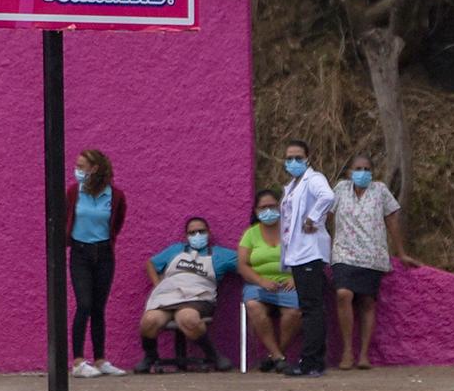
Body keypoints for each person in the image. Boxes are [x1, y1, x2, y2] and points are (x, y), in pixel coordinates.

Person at [329, 153, 414, 370]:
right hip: (344, 253)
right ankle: (348, 350)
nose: (363, 173)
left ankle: (364, 354)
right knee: (343, 294)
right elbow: (325, 215)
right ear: (349, 172)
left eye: (367, 169)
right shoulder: (339, 189)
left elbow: (392, 220)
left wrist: (401, 252)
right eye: (358, 169)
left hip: (372, 255)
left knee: (367, 302)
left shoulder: (380, 191)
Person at [136, 216, 238, 373]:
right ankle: (150, 356)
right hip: (167, 295)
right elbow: (151, 263)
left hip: (198, 296)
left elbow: (244, 263)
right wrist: (158, 284)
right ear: (186, 236)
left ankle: (214, 356)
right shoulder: (175, 250)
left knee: (187, 318)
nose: (197, 235)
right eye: (192, 232)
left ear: (209, 233)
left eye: (201, 231)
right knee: (149, 321)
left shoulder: (221, 254)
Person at [66, 148, 129, 378]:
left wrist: (106, 242)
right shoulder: (74, 192)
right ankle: (78, 361)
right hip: (80, 252)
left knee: (99, 307)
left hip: (103, 252)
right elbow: (67, 217)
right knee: (84, 303)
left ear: (95, 169)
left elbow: (118, 220)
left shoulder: (115, 195)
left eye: (82, 167)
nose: (77, 170)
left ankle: (101, 359)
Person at [277, 139, 335, 377]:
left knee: (311, 309)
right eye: (289, 158)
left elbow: (328, 197)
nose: (293, 162)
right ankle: (315, 361)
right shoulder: (292, 185)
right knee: (311, 307)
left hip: (310, 252)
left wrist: (313, 218)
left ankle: (311, 361)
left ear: (307, 159)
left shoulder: (315, 179)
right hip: (298, 254)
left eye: (298, 158)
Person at [238, 189, 301, 372]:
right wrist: (260, 280)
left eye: (272, 206)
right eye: (263, 207)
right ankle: (279, 357)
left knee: (294, 312)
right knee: (253, 306)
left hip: (289, 283)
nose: (268, 210)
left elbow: (307, 257)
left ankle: (274, 356)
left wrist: (297, 278)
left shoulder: (291, 230)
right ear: (256, 211)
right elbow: (242, 265)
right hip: (259, 284)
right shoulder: (250, 234)